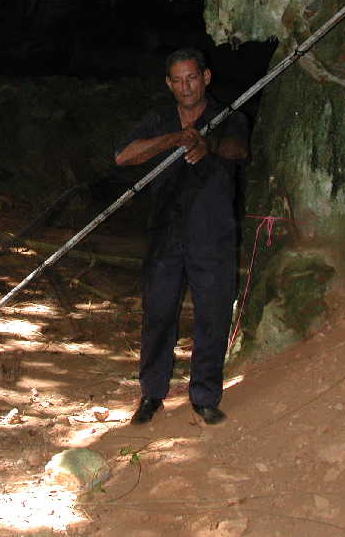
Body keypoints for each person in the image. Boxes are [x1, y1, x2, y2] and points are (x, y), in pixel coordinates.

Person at [115, 48, 249, 426]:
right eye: (178, 80)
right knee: (157, 313)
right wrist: (171, 140)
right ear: (168, 83)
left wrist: (207, 147)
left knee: (212, 314)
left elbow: (238, 149)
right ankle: (151, 394)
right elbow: (123, 156)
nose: (185, 86)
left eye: (192, 77)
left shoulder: (229, 116)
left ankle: (205, 396)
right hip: (165, 233)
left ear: (206, 77)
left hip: (213, 233)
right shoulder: (159, 119)